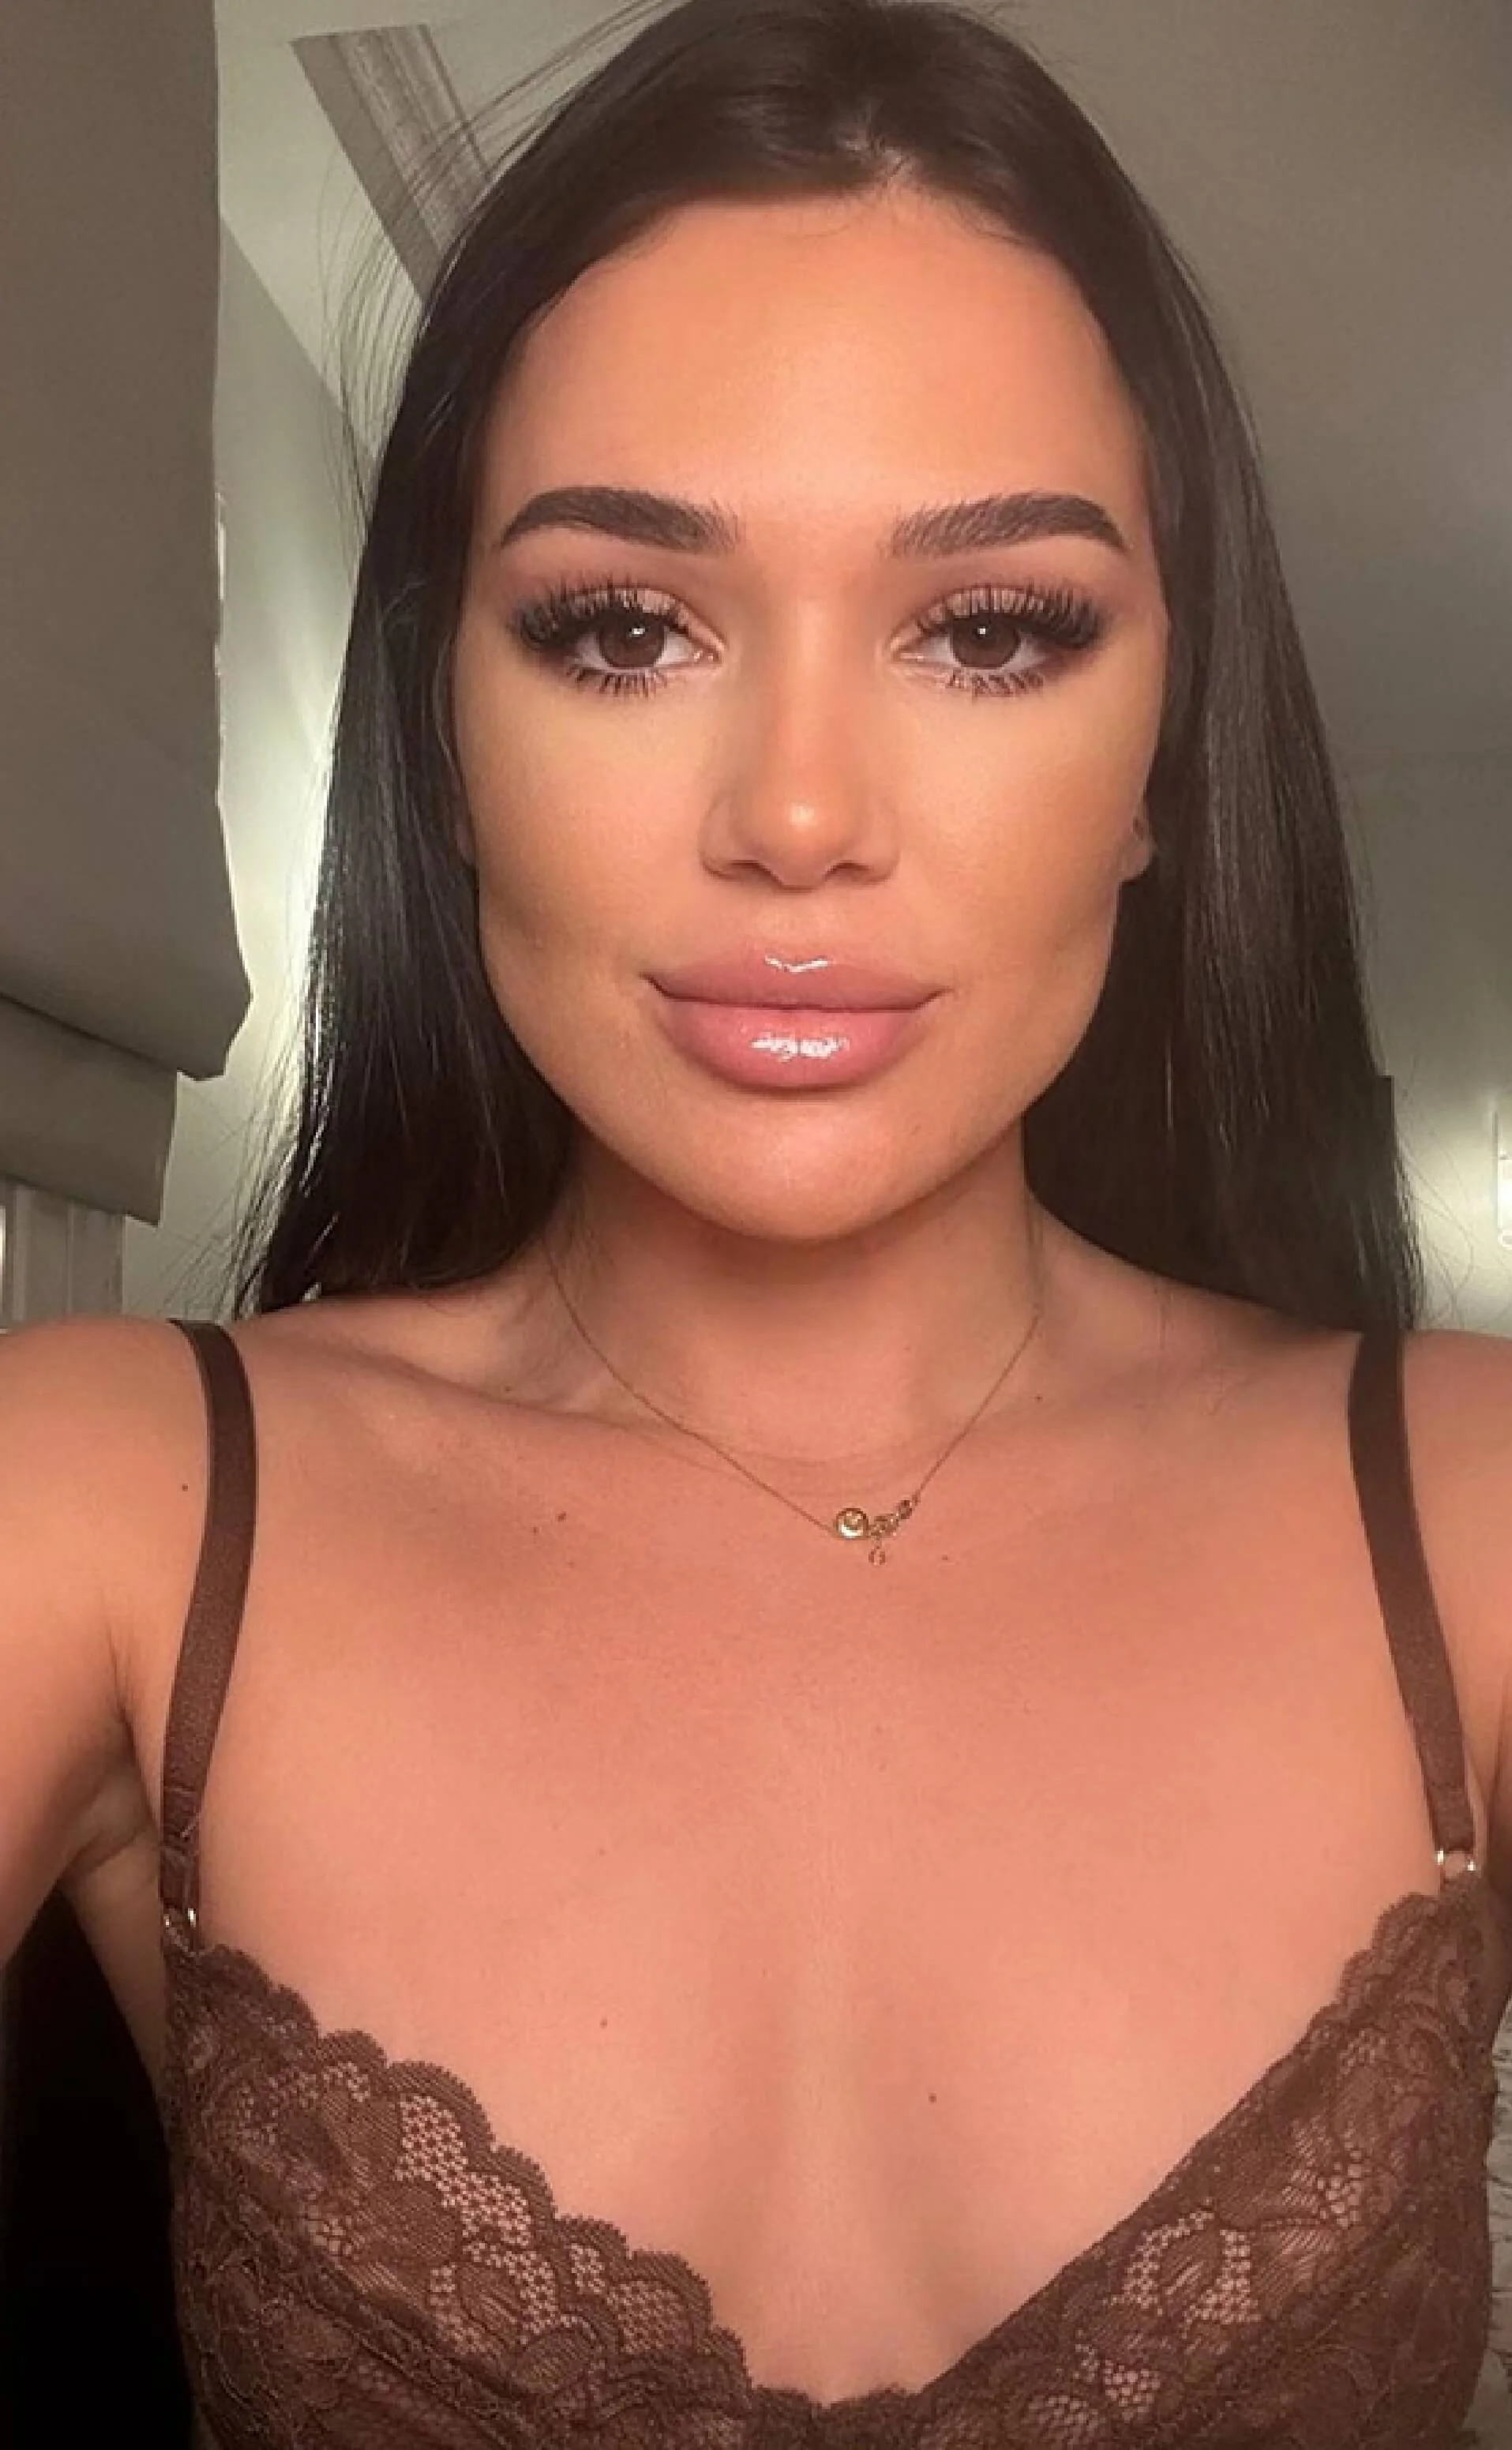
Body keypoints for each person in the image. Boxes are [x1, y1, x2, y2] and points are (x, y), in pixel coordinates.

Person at [3, 0, 1510, 2440]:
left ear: (1157, 756)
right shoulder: (103, 1507)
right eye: (624, 625)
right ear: (450, 739)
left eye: (989, 628)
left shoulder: (1467, 1517)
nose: (799, 815)